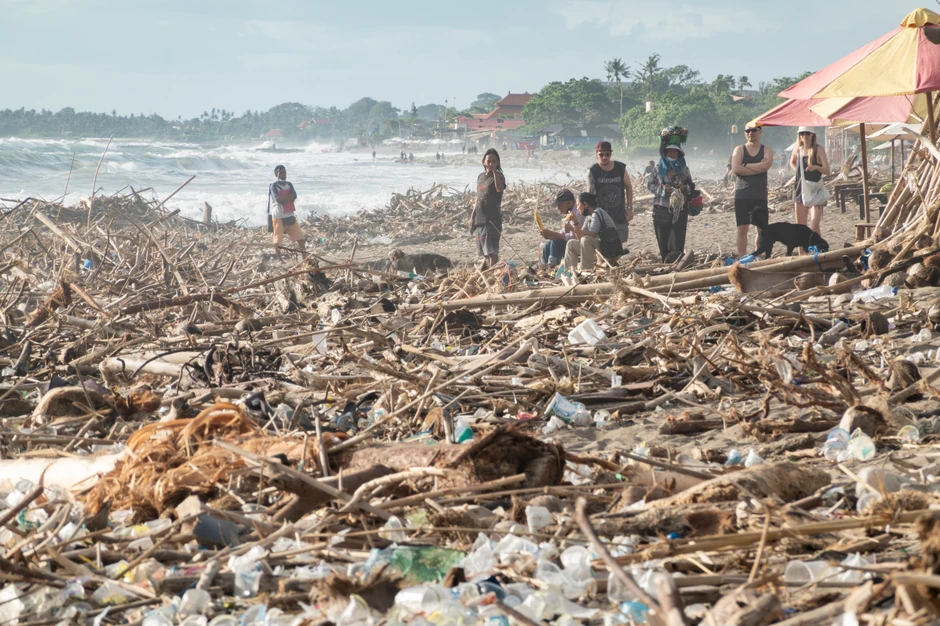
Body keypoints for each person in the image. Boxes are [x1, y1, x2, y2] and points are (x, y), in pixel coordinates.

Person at [731, 124, 774, 257]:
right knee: (742, 229)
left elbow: (766, 166)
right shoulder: (739, 150)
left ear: (760, 132)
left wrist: (746, 166)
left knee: (761, 230)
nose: (750, 133)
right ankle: (742, 257)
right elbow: (736, 169)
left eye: (753, 130)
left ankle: (758, 256)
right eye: (747, 131)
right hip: (742, 195)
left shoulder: (767, 150)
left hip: (760, 195)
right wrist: (757, 166)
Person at [648, 145, 695, 262]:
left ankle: (676, 263)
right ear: (665, 153)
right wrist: (663, 189)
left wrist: (684, 187)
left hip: (679, 209)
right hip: (661, 209)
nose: (672, 154)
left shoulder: (684, 169)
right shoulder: (657, 169)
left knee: (677, 240)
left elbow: (691, 186)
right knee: (663, 241)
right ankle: (665, 263)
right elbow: (650, 185)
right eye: (669, 151)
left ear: (679, 154)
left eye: (675, 151)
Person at [588, 141, 633, 252]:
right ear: (596, 154)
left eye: (607, 154)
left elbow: (629, 187)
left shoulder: (620, 168)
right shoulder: (593, 171)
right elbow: (589, 195)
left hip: (619, 214)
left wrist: (630, 208)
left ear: (610, 155)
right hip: (601, 216)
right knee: (602, 247)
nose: (604, 157)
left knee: (618, 247)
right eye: (601, 154)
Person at [563, 192, 622, 272]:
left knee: (586, 240)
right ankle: (568, 271)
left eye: (578, 205)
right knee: (571, 244)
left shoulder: (597, 213)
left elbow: (593, 234)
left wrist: (575, 227)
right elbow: (580, 238)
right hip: (600, 248)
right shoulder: (588, 217)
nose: (577, 208)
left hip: (609, 248)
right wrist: (575, 223)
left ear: (585, 205)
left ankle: (586, 269)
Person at [790, 126, 831, 238]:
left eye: (807, 133)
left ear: (812, 134)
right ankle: (803, 254)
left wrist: (816, 167)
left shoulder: (818, 149)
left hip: (815, 190)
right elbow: (792, 162)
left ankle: (818, 250)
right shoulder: (797, 149)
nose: (804, 136)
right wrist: (799, 172)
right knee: (801, 228)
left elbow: (827, 170)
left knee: (814, 227)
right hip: (800, 189)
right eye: (802, 134)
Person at [469, 148, 506, 268]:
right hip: (480, 219)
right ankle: (491, 270)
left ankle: (492, 273)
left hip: (492, 219)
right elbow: (478, 198)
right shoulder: (480, 177)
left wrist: (494, 172)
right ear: (483, 162)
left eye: (494, 161)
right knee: (484, 251)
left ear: (498, 162)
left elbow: (499, 189)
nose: (491, 164)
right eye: (489, 161)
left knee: (492, 252)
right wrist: (472, 217)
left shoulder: (499, 176)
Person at [268, 165, 305, 258]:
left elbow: (294, 196)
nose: (283, 175)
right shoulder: (274, 185)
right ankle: (279, 258)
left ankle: (304, 256)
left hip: (289, 214)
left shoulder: (289, 184)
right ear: (276, 175)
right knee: (278, 240)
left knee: (300, 238)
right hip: (278, 216)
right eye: (280, 173)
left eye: (284, 172)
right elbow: (278, 199)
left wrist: (284, 198)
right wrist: (288, 198)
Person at [538, 189, 583, 267]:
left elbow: (574, 236)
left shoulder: (578, 213)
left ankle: (552, 265)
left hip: (579, 244)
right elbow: (563, 232)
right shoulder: (570, 212)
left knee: (556, 242)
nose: (558, 208)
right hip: (571, 241)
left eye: (560, 205)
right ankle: (543, 265)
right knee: (548, 243)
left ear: (569, 203)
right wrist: (550, 235)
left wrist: (554, 234)